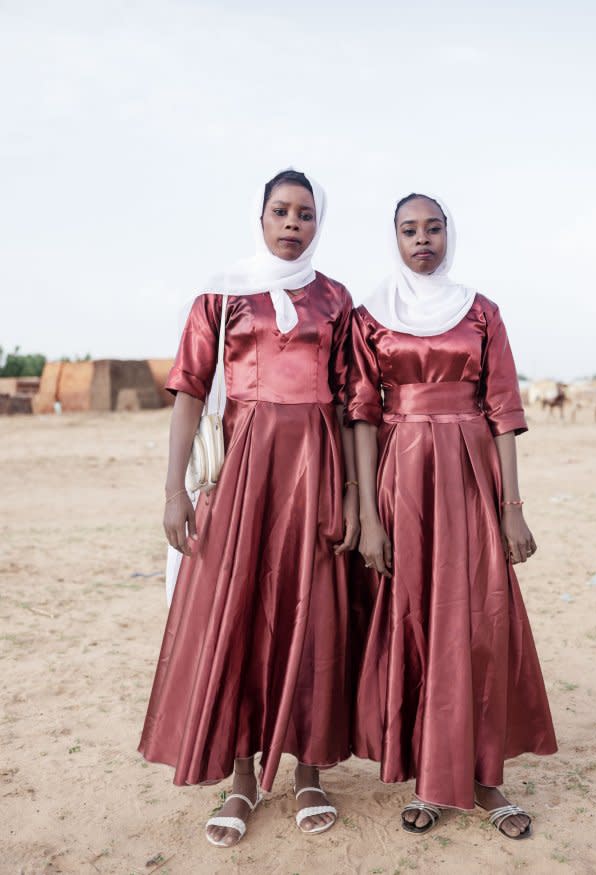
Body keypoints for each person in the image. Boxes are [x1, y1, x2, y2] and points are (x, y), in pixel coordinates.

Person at [139, 169, 359, 847]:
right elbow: (187, 393)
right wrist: (175, 489)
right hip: (243, 479)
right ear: (259, 217)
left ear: (319, 222)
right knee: (239, 615)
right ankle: (241, 774)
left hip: (317, 473)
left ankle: (310, 769)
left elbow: (353, 403)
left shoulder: (336, 299)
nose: (293, 224)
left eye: (305, 214)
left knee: (312, 614)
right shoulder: (223, 295)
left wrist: (353, 492)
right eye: (281, 211)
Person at [348, 193, 557, 839]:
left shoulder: (481, 310)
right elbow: (359, 410)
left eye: (433, 227)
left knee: (478, 622)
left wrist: (512, 507)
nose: (422, 239)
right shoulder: (369, 314)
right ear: (394, 238)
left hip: (470, 475)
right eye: (409, 229)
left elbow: (504, 411)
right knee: (414, 621)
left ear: (449, 233)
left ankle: (487, 777)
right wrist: (370, 518)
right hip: (401, 477)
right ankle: (431, 780)